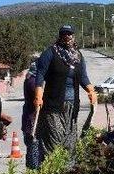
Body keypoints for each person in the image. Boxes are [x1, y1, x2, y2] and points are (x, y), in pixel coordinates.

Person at [34, 25, 98, 155]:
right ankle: (52, 170)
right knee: (55, 140)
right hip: (53, 105)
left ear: (73, 36)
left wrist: (91, 91)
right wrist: (38, 95)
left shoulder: (78, 56)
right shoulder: (50, 53)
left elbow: (83, 77)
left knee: (69, 141)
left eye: (69, 34)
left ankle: (68, 172)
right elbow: (40, 75)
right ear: (60, 36)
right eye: (64, 34)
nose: (67, 36)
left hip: (72, 105)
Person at [22, 61, 43, 169]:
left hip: (28, 118)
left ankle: (31, 171)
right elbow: (38, 99)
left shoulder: (29, 79)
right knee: (34, 147)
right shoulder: (33, 82)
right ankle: (33, 171)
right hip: (32, 120)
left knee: (31, 147)